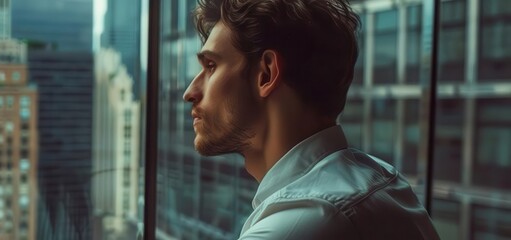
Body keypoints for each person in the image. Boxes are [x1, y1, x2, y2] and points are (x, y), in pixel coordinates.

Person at [182, 0, 440, 239]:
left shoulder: (301, 223)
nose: (190, 92)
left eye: (211, 66)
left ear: (266, 74)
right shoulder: (384, 180)